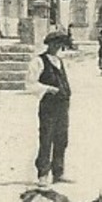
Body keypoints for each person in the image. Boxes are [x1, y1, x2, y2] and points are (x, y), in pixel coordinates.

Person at [28, 29, 72, 185]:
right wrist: (48, 89)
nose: (58, 47)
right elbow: (30, 84)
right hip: (48, 105)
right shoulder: (39, 61)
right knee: (46, 138)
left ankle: (58, 172)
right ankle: (43, 174)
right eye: (56, 44)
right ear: (50, 44)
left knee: (62, 138)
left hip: (63, 105)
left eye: (60, 44)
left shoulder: (59, 61)